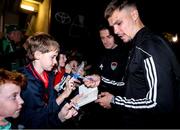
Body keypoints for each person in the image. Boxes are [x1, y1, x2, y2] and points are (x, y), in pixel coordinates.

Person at [95, 0, 180, 128]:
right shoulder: (137, 45)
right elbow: (131, 84)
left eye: (119, 23)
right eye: (113, 26)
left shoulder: (150, 46)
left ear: (134, 15)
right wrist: (101, 80)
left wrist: (115, 101)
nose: (116, 31)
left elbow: (159, 104)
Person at [17, 32, 81, 129]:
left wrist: (67, 103)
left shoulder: (47, 73)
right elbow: (41, 115)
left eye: (56, 57)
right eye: (52, 57)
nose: (55, 62)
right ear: (38, 55)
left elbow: (51, 100)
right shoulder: (28, 82)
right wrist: (64, 95)